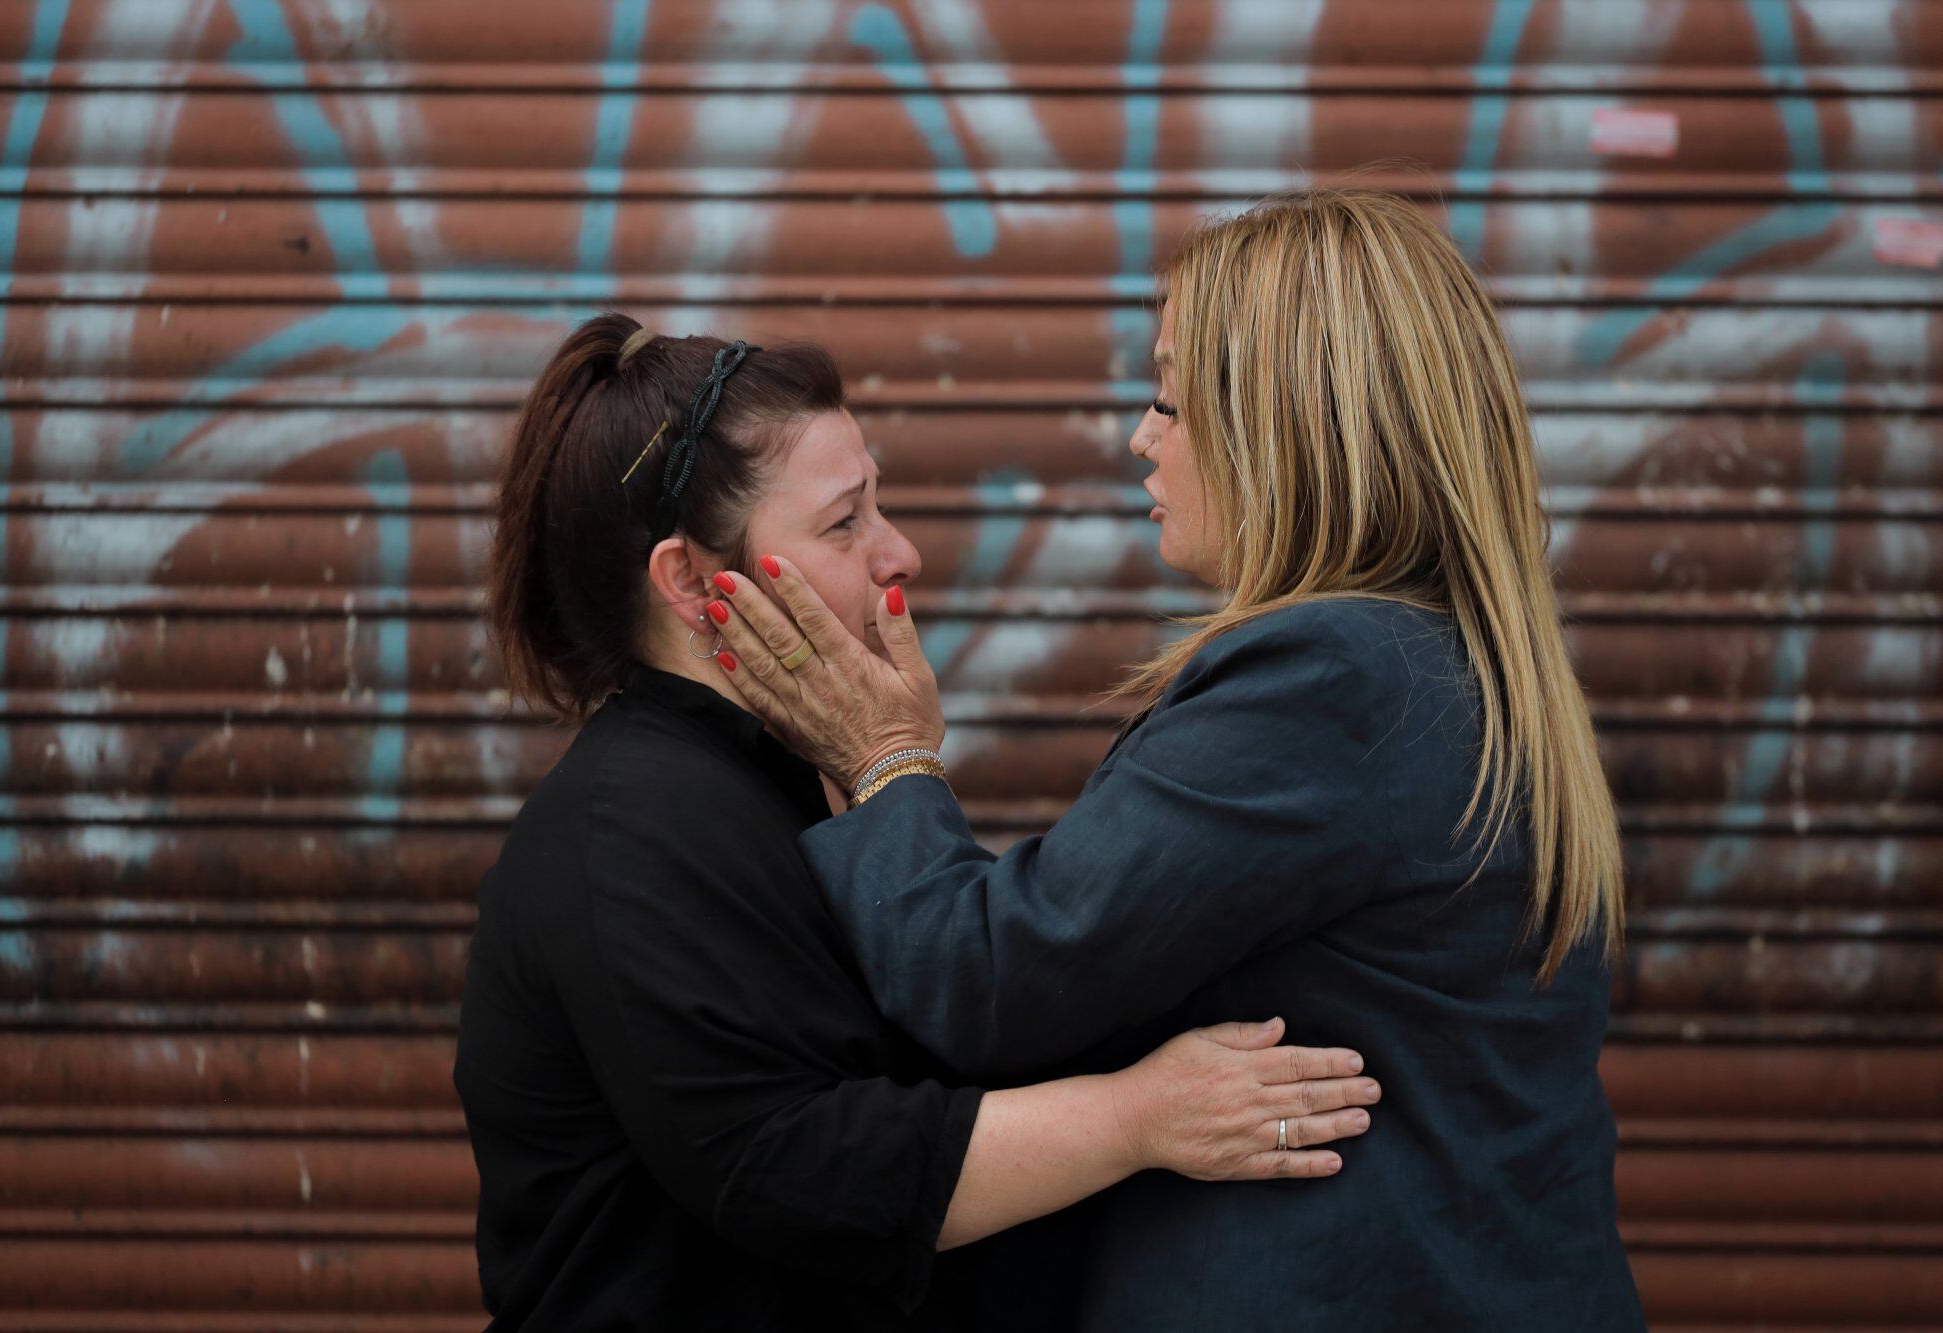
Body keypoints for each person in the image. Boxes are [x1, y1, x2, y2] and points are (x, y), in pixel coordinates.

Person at [703, 190, 1647, 1329]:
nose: (1140, 435)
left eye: (1167, 396)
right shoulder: (1451, 658)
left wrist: (885, 756)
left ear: (1288, 424)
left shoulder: (1327, 678)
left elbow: (991, 982)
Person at [452, 313, 1384, 1330]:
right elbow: (799, 1164)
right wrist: (1141, 1115)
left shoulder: (776, 771)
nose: (901, 553)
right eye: (845, 522)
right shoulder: (632, 828)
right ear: (687, 582)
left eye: (879, 505)